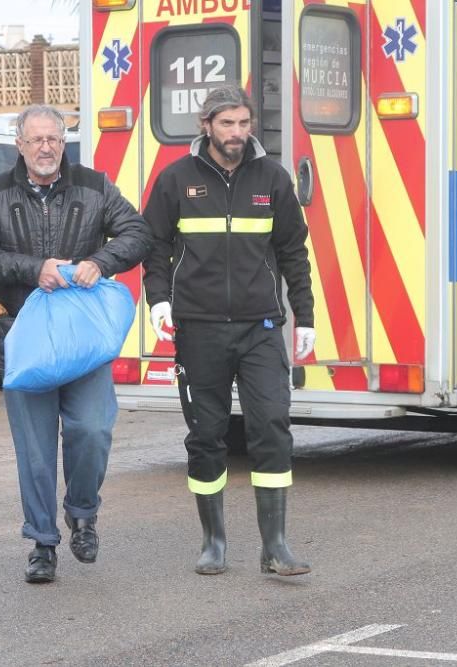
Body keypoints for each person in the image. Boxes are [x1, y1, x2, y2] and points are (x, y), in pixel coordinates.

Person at [0, 104, 151, 584]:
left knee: (92, 429)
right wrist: (35, 267)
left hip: (83, 340)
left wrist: (101, 261)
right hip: (26, 339)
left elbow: (137, 232)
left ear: (63, 143)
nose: (46, 148)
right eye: (37, 140)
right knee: (36, 451)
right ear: (19, 145)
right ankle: (42, 543)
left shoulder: (94, 185)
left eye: (55, 139)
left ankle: (82, 513)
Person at [142, 84, 316, 577]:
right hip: (197, 330)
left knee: (272, 429)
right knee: (207, 435)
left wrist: (305, 316)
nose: (237, 133)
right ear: (206, 126)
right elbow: (153, 247)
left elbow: (293, 253)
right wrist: (158, 301)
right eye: (227, 124)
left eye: (243, 123)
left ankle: (275, 545)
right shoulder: (176, 180)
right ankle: (214, 542)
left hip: (260, 327)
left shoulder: (273, 179)